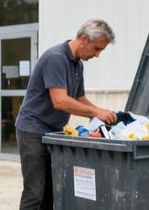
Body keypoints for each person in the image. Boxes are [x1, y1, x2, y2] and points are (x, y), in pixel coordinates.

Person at [15, 19, 117, 210]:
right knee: (35, 192)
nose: (98, 55)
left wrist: (102, 114)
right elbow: (60, 100)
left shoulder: (77, 65)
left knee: (52, 192)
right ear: (84, 39)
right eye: (96, 49)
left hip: (53, 133)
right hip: (33, 131)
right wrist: (96, 112)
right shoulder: (56, 58)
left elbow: (79, 98)